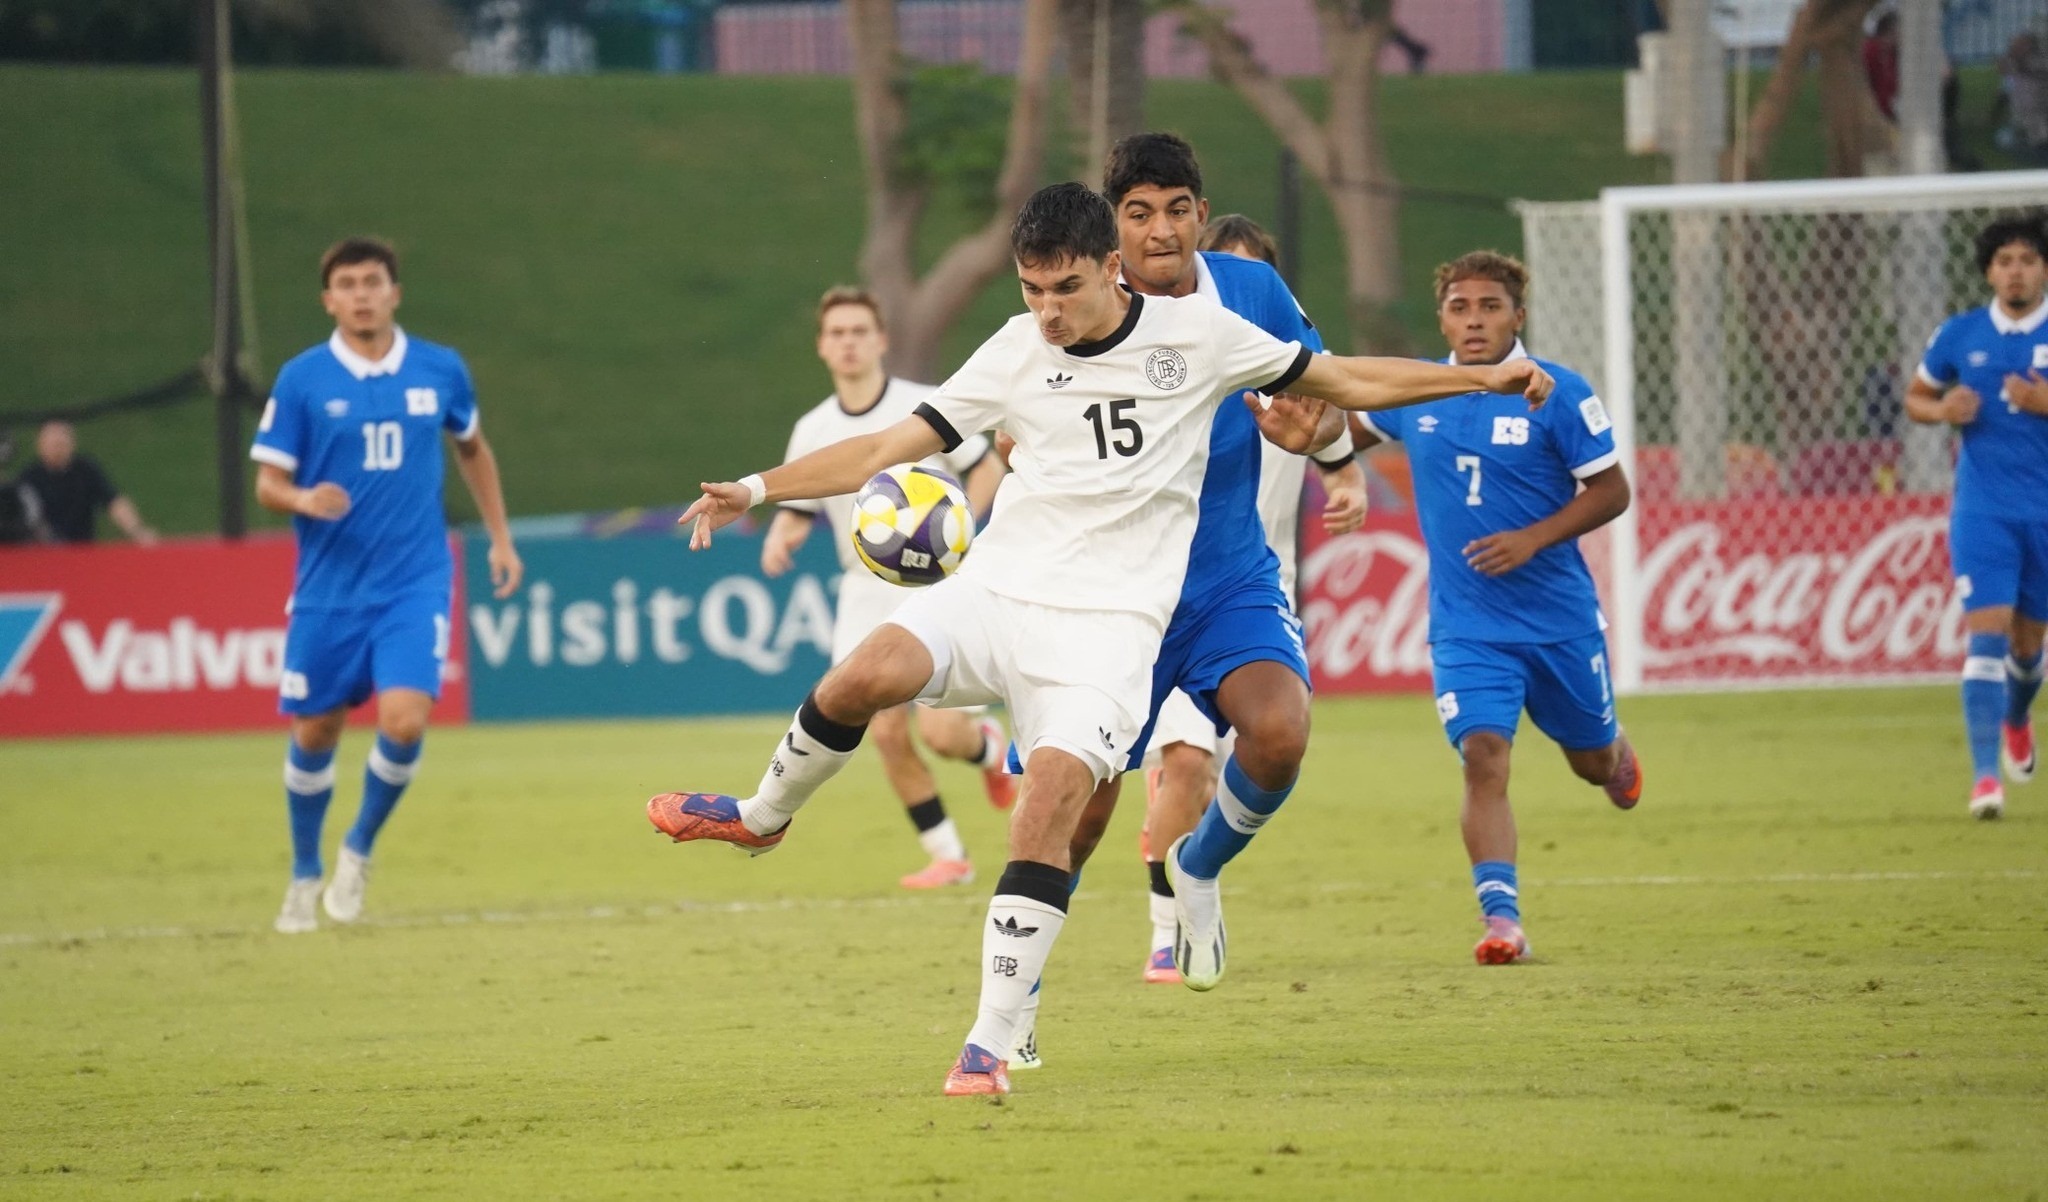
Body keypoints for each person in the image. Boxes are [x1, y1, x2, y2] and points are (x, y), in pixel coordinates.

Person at [649, 181, 1553, 1096]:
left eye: (1066, 289)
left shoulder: (1199, 338)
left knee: (1050, 806)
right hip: (1000, 591)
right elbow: (886, 446)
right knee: (862, 674)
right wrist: (757, 490)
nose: (1046, 311)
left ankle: (989, 1045)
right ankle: (762, 818)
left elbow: (1348, 378)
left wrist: (1481, 375)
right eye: (1031, 289)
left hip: (1111, 631)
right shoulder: (1014, 349)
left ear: (1112, 270)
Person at [1349, 251, 1643, 965]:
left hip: (1559, 621)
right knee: (1484, 756)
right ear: (1443, 316)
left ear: (1518, 315)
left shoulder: (1557, 393)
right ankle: (1502, 920)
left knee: (1590, 761)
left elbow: (1612, 492)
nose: (1473, 320)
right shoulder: (1419, 390)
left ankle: (1613, 751)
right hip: (1468, 626)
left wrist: (1531, 540)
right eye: (1459, 307)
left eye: (1488, 307)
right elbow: (1339, 432)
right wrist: (1298, 436)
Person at [250, 237, 523, 934]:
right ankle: (304, 870)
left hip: (415, 580)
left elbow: (472, 449)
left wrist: (498, 537)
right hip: (329, 589)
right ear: (329, 300)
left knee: (404, 719)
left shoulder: (439, 369)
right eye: (348, 283)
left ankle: (358, 849)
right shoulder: (303, 379)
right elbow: (268, 483)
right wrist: (304, 500)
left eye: (374, 281)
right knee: (317, 732)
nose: (362, 293)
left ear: (394, 292)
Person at [761, 285, 1015, 889]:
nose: (848, 342)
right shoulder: (813, 428)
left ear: (881, 341)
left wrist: (964, 530)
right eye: (837, 333)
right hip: (864, 590)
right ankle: (948, 856)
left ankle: (984, 746)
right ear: (823, 347)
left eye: (858, 331)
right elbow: (800, 505)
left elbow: (985, 464)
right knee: (886, 730)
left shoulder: (924, 404)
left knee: (940, 732)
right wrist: (782, 536)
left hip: (944, 583)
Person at [1905, 216, 2048, 820]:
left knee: (2027, 646)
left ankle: (2017, 717)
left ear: (2043, 267)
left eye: (2027, 259)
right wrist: (1943, 410)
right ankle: (1984, 780)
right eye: (2004, 261)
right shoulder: (1959, 335)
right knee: (1985, 637)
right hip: (1983, 511)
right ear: (1989, 271)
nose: (2015, 269)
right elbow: (1916, 397)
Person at [17, 421, 157, 545]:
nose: (58, 448)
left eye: (62, 443)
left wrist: (137, 531)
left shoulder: (86, 470)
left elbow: (113, 502)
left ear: (73, 443)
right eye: (53, 444)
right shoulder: (29, 478)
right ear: (40, 445)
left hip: (82, 548)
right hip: (42, 552)